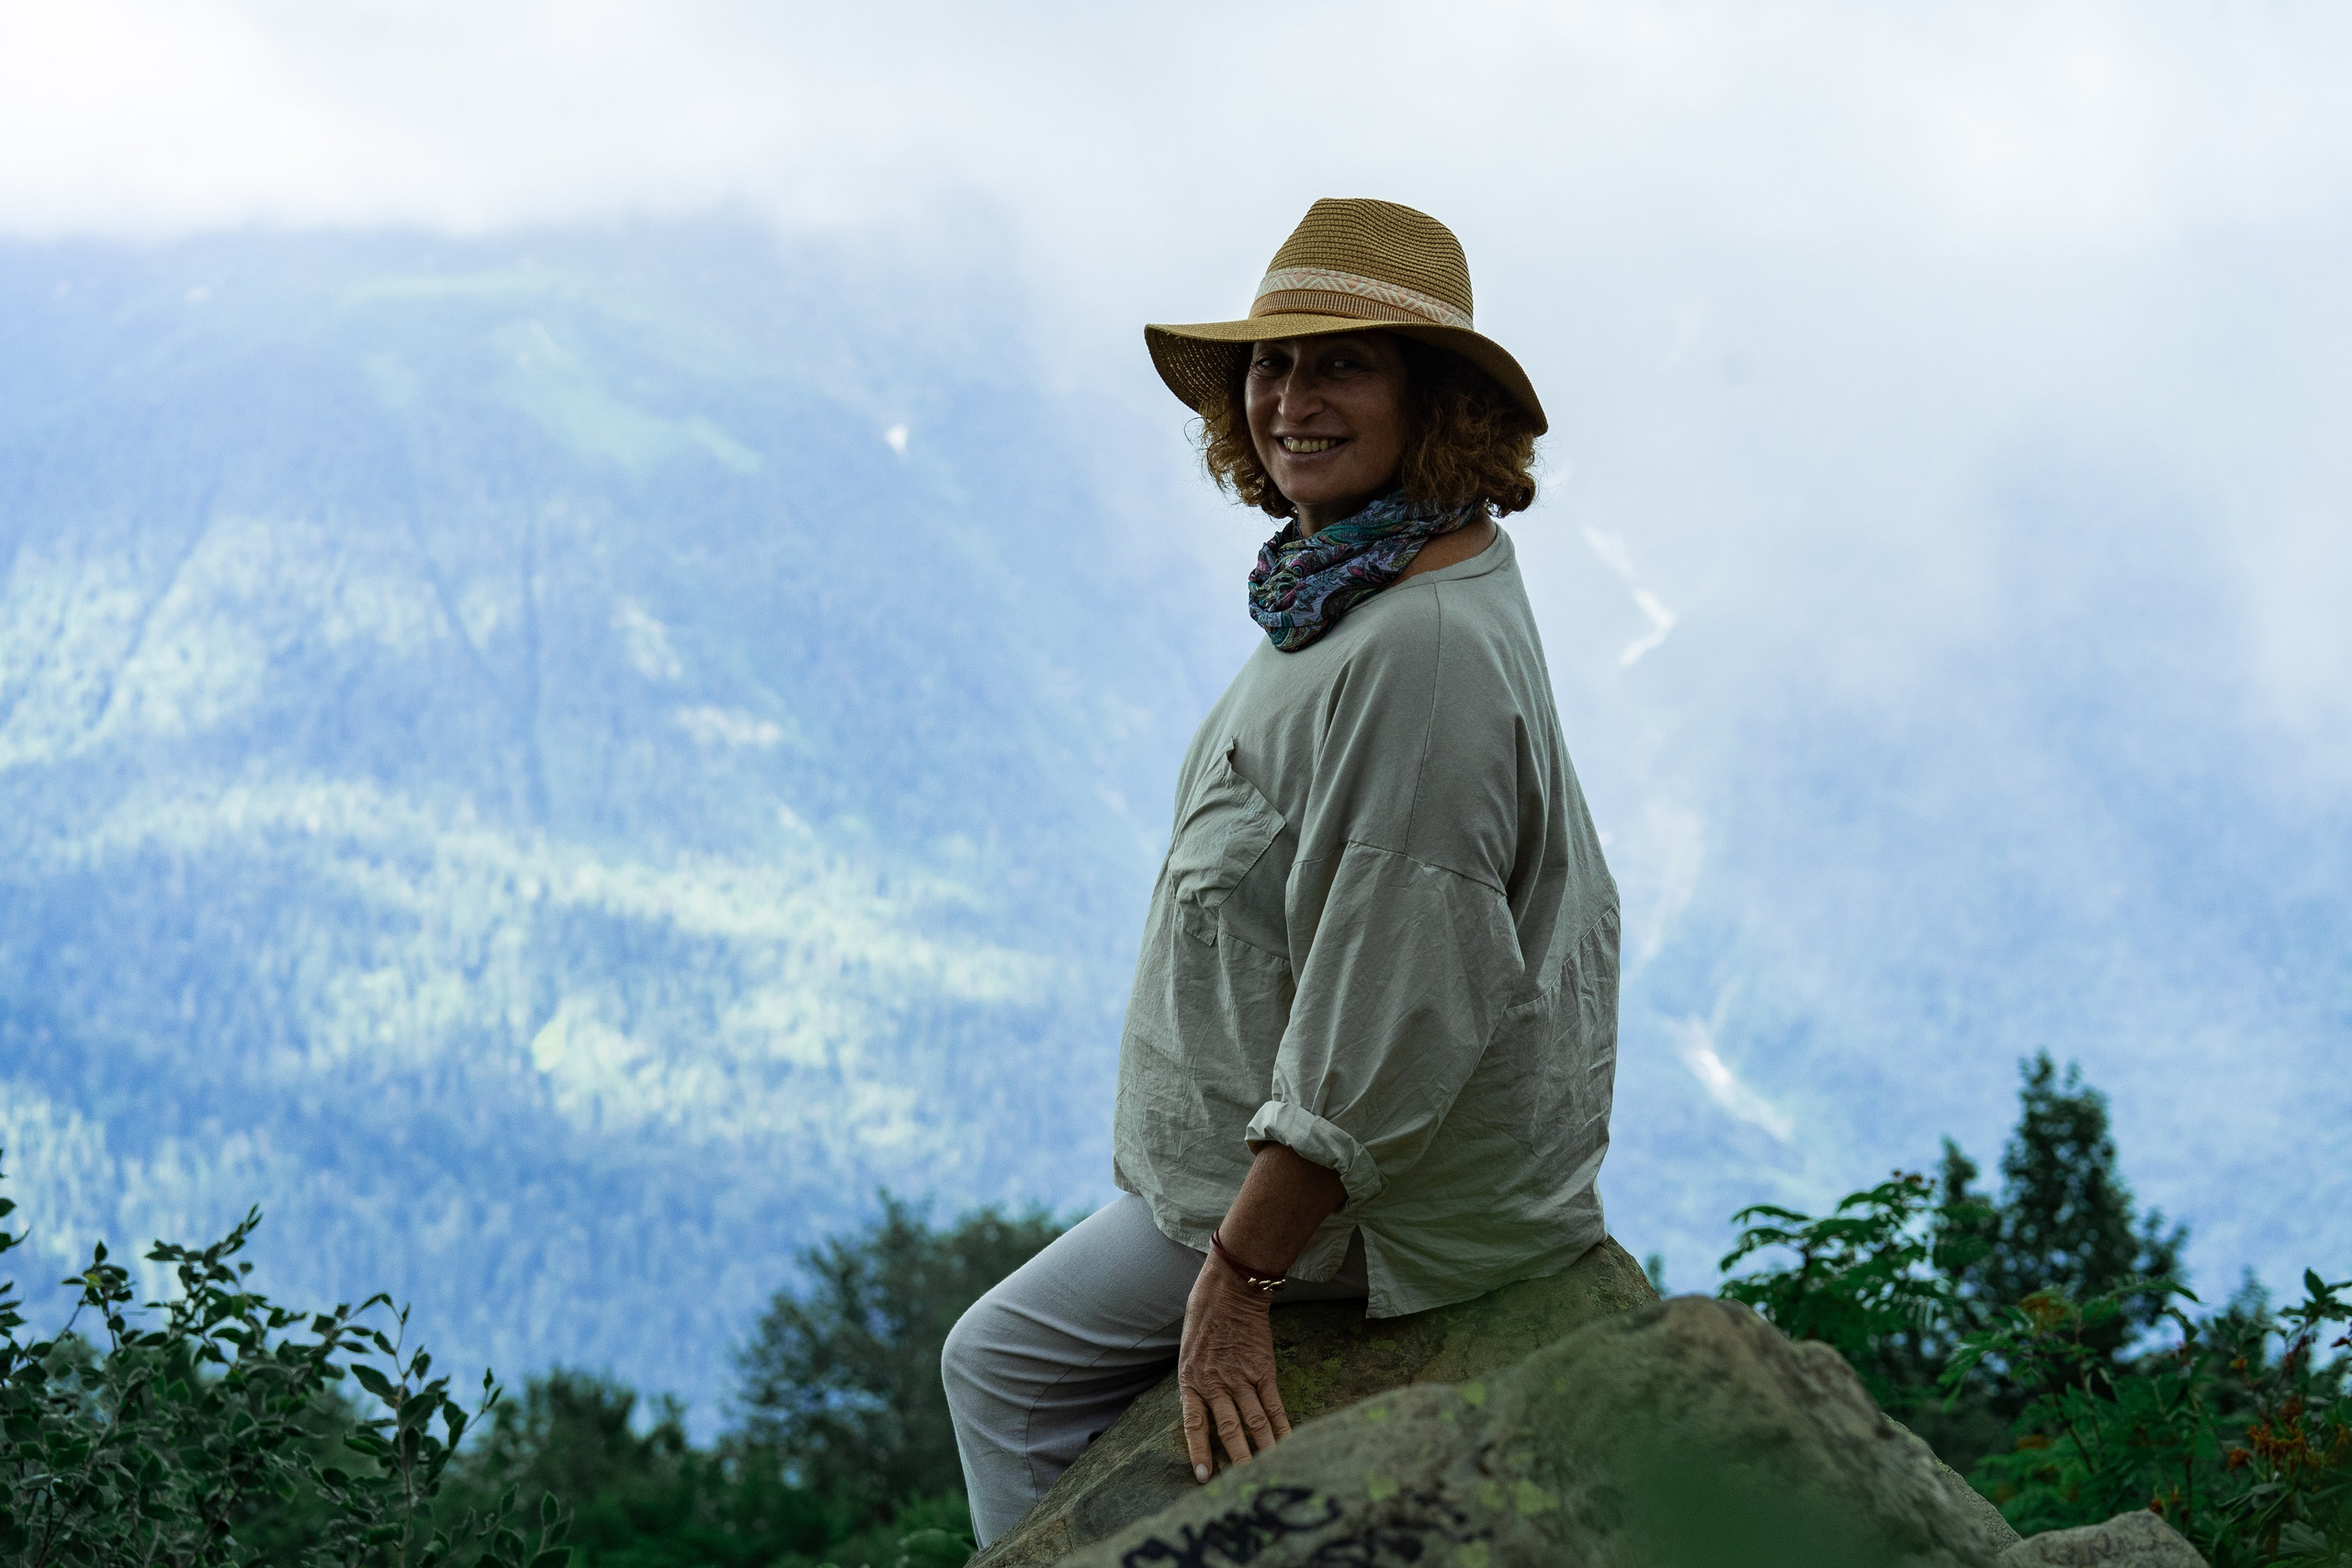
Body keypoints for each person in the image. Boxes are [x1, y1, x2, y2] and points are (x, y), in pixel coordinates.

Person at [942, 197, 1620, 1549]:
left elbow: (1396, 995)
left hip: (1366, 1208)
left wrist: (1240, 1278)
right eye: (1271, 365)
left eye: (1341, 366)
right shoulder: (1358, 585)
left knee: (1004, 1368)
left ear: (1431, 402)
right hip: (1306, 1181)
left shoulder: (1418, 651)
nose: (1290, 402)